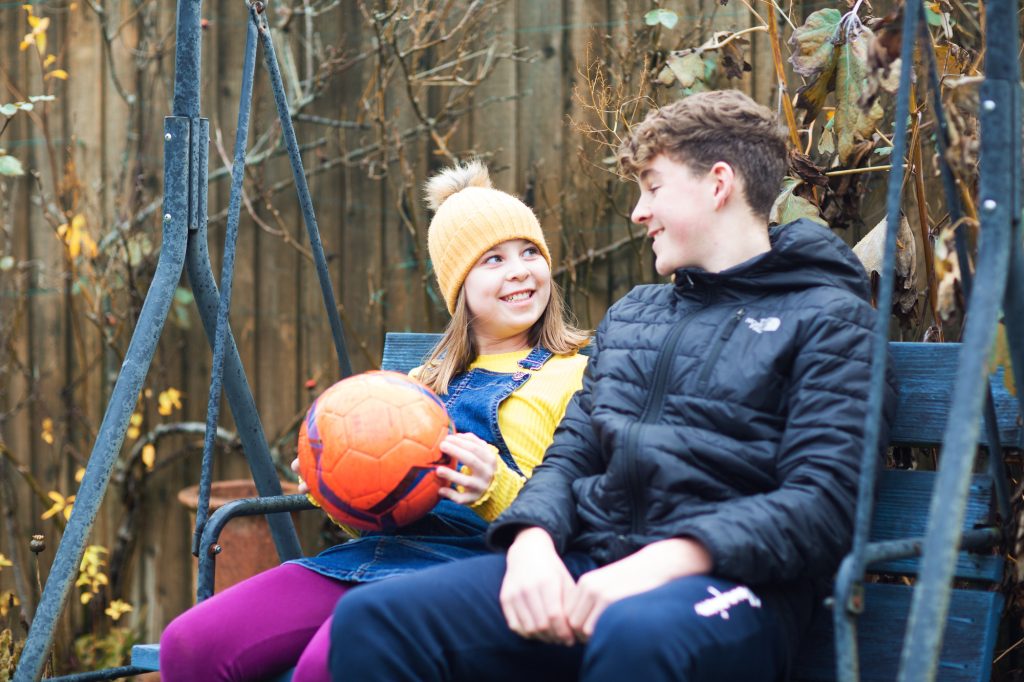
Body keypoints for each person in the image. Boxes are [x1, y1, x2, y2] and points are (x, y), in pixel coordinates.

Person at [326, 89, 898, 682]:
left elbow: (825, 501)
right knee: (375, 619)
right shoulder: (637, 314)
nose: (638, 211)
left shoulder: (829, 318)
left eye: (652, 187)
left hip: (733, 587)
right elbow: (572, 452)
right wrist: (531, 544)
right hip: (593, 562)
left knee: (634, 636)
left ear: (718, 184)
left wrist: (659, 564)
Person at [158, 160, 590, 681]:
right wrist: (336, 488)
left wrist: (493, 485)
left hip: (483, 564)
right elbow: (381, 512)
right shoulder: (415, 383)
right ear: (458, 287)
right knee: (190, 645)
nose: (520, 270)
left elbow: (588, 518)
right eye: (493, 259)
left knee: (327, 663)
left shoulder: (580, 375)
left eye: (530, 253)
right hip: (380, 554)